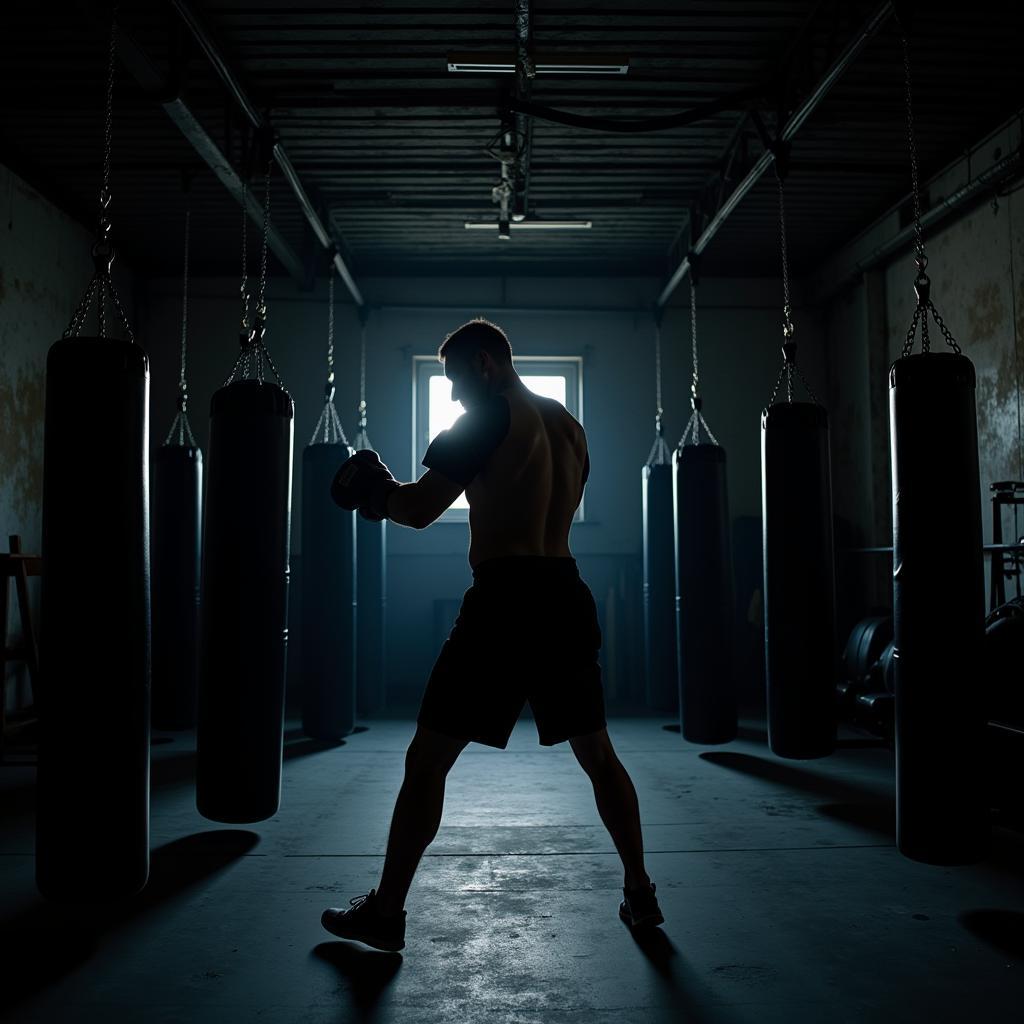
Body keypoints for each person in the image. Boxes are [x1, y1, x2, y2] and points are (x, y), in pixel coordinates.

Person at [322, 318, 662, 952]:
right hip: (564, 593)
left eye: (453, 379)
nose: (452, 395)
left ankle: (387, 912)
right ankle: (640, 894)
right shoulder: (569, 425)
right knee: (598, 755)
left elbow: (421, 509)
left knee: (426, 760)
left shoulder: (483, 417)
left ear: (484, 363)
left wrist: (374, 492)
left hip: (504, 601)